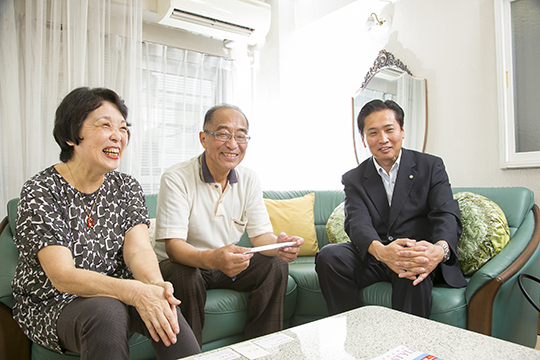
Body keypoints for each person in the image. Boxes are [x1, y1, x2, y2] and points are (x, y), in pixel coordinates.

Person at [11, 87, 201, 360]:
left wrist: (155, 287)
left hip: (116, 292)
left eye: (123, 128)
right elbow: (62, 276)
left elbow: (138, 250)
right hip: (53, 303)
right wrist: (135, 290)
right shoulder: (41, 190)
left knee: (164, 306)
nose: (118, 135)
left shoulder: (125, 186)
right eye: (105, 125)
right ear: (72, 136)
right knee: (106, 310)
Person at [154, 104, 304, 346]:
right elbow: (174, 248)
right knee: (185, 275)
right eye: (223, 134)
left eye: (241, 135)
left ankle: (261, 349)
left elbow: (260, 237)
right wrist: (213, 259)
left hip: (225, 263)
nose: (233, 144)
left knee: (275, 266)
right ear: (204, 138)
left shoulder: (249, 179)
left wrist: (279, 245)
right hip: (186, 263)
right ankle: (191, 353)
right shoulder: (176, 178)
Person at [315, 99, 467, 318]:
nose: (383, 139)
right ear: (363, 139)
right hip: (377, 254)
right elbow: (356, 222)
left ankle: (409, 348)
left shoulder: (431, 166)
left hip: (414, 252)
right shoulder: (354, 178)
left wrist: (440, 249)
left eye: (389, 130)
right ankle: (356, 335)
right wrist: (382, 252)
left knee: (411, 266)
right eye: (373, 133)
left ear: (402, 130)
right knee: (329, 256)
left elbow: (446, 214)